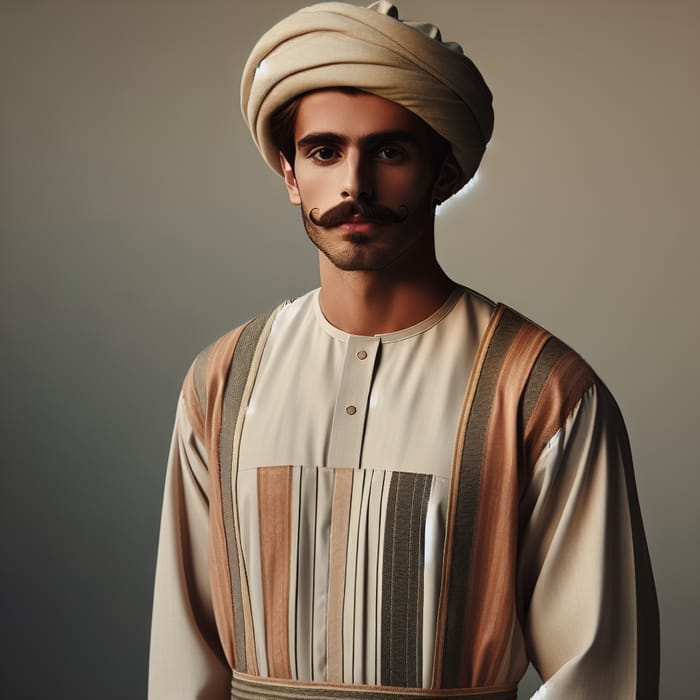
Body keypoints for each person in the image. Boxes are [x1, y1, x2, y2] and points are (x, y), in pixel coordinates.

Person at [148, 2, 659, 698]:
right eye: (324, 151)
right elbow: (184, 657)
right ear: (291, 174)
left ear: (444, 175)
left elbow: (601, 670)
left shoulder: (541, 391)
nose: (354, 184)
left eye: (389, 151)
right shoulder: (224, 380)